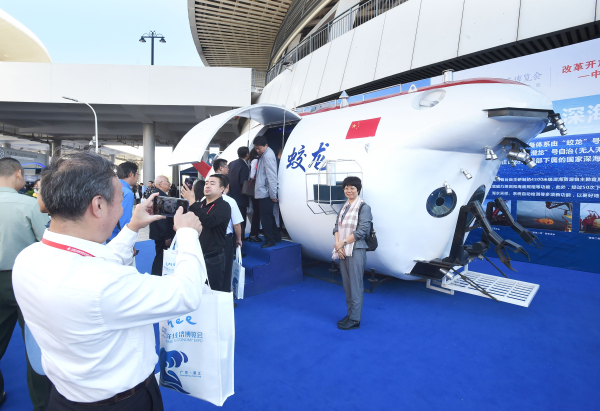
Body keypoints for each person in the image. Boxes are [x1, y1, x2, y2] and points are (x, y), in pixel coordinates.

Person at [12, 152, 205, 411]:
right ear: (98, 205)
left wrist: (131, 227)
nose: (124, 206)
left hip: (63, 397)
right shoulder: (103, 284)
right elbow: (186, 293)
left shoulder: (28, 258)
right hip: (122, 402)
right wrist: (189, 235)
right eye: (120, 199)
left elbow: (99, 262)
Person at [0, 158, 53, 410]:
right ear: (18, 174)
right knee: (35, 344)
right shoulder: (29, 203)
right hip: (25, 280)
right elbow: (47, 242)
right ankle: (42, 403)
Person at [332, 176, 372, 331]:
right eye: (346, 188)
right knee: (347, 285)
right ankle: (350, 314)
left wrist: (342, 243)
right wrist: (338, 246)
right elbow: (336, 227)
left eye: (352, 188)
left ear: (358, 189)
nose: (349, 190)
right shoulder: (344, 207)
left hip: (356, 250)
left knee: (355, 286)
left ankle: (355, 319)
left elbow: (362, 231)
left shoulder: (364, 207)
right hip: (343, 250)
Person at [187, 174, 231, 291]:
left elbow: (209, 221)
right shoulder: (200, 205)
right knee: (196, 289)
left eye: (212, 183)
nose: (207, 186)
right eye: (206, 183)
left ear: (222, 189)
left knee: (213, 291)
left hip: (213, 257)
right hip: (196, 254)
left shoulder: (224, 206)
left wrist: (192, 203)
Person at [253, 136, 280, 248]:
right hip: (265, 191)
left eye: (259, 148)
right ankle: (276, 237)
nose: (258, 150)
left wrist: (273, 194)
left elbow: (272, 176)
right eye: (256, 148)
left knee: (266, 218)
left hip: (265, 192)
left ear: (266, 145)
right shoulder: (265, 154)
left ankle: (270, 240)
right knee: (268, 216)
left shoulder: (268, 156)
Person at [149, 176, 175, 275]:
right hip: (162, 234)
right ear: (160, 184)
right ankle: (156, 275)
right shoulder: (160, 196)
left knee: (161, 255)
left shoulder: (157, 194)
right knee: (161, 256)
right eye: (167, 181)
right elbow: (162, 219)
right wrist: (167, 236)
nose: (169, 183)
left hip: (160, 233)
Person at [109, 161, 138, 241]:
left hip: (105, 235)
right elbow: (124, 219)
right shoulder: (127, 193)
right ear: (131, 174)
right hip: (117, 238)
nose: (137, 177)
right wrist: (128, 241)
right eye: (137, 174)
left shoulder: (109, 187)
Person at [228, 147, 250, 238]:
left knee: (232, 220)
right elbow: (243, 182)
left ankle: (233, 241)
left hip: (230, 195)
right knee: (240, 220)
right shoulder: (244, 166)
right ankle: (240, 241)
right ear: (247, 154)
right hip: (240, 198)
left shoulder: (231, 163)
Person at [247, 148, 262, 242]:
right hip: (256, 190)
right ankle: (253, 234)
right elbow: (252, 176)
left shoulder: (252, 161)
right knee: (257, 213)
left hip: (255, 190)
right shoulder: (256, 161)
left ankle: (254, 234)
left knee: (256, 212)